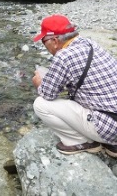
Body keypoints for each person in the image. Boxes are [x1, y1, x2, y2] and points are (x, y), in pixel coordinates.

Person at [32, 14, 117, 158]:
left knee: (40, 104)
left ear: (54, 40)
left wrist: (39, 83)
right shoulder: (90, 44)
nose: (44, 45)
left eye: (43, 41)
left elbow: (47, 94)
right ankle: (111, 144)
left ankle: (82, 142)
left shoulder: (63, 56)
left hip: (108, 126)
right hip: (112, 117)